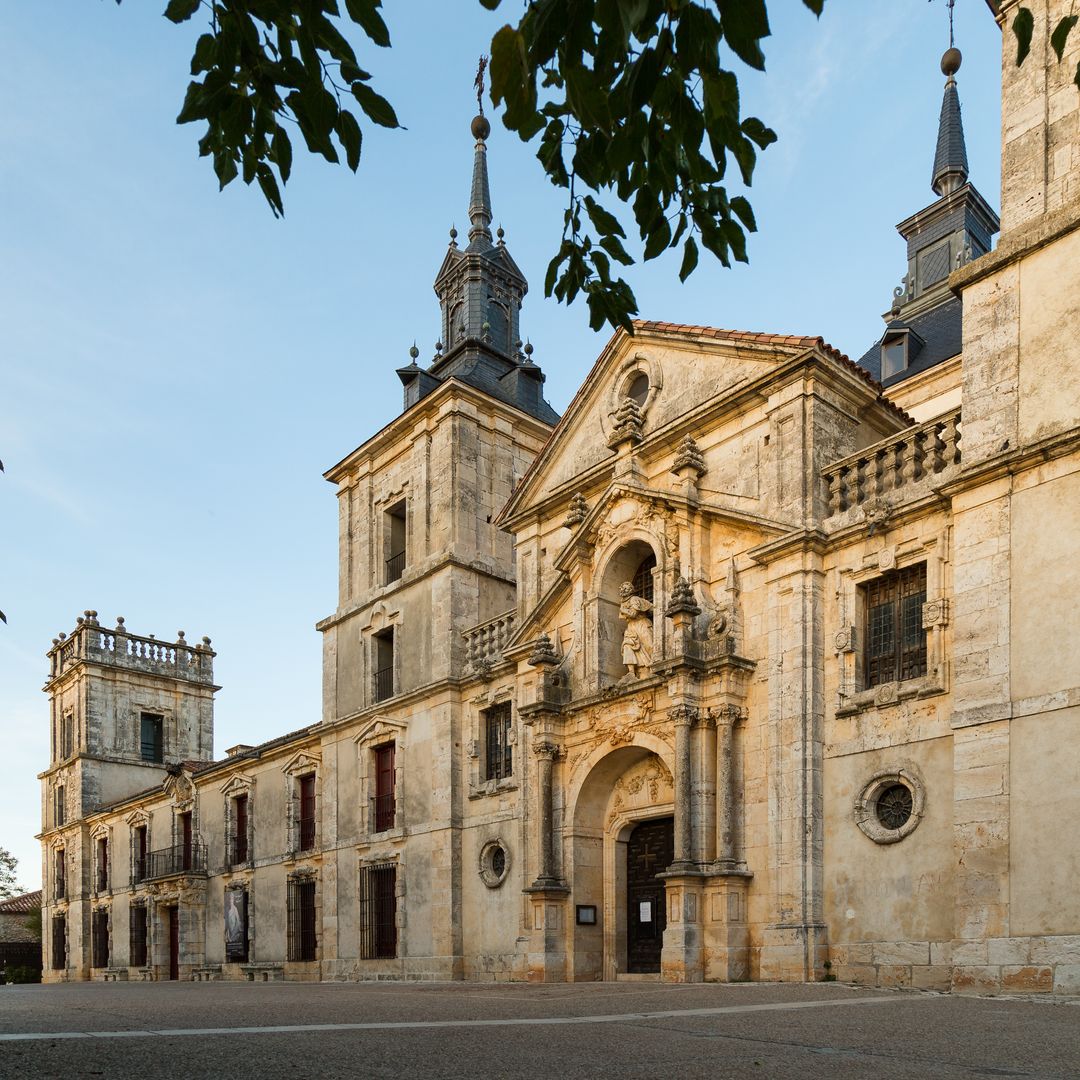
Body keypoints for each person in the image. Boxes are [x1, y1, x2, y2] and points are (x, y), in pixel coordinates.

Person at [619, 581, 654, 679]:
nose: (623, 590)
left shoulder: (634, 599)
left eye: (625, 588)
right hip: (631, 627)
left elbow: (633, 614)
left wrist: (623, 610)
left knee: (649, 646)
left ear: (630, 590)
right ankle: (632, 672)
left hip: (642, 624)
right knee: (628, 646)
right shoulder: (623, 603)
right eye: (622, 588)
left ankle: (653, 668)